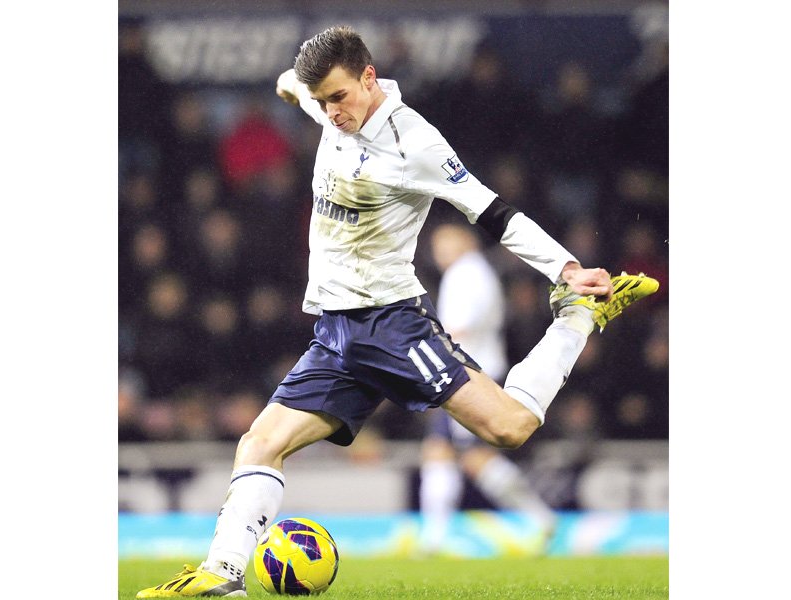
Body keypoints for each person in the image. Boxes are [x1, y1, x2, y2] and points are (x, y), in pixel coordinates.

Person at [136, 26, 658, 598]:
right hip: (336, 332)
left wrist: (566, 269)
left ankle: (578, 316)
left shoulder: (417, 144)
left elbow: (493, 212)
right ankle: (223, 577)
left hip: (391, 323)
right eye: (322, 101)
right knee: (259, 443)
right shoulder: (329, 105)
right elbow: (300, 89)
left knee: (510, 427)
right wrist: (293, 90)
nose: (332, 113)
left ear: (369, 77)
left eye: (338, 97)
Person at [418, 222, 557, 556]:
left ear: (464, 242)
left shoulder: (465, 274)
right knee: (444, 451)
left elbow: (457, 329)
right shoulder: (479, 272)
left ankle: (540, 518)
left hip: (467, 377)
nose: (439, 254)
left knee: (470, 456)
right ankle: (434, 538)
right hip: (476, 372)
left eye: (445, 243)